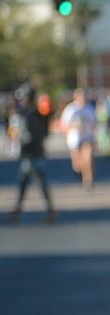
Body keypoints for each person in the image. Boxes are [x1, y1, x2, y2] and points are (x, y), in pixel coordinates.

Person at [9, 86, 56, 223]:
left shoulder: (32, 115)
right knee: (26, 183)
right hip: (32, 154)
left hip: (32, 155)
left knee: (37, 183)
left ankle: (49, 210)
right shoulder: (35, 114)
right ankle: (19, 209)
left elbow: (29, 136)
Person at [59, 88, 97, 190]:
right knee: (78, 165)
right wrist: (73, 126)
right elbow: (63, 125)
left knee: (88, 159)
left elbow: (94, 123)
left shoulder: (90, 108)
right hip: (74, 139)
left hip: (87, 137)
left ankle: (88, 181)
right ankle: (80, 173)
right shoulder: (71, 109)